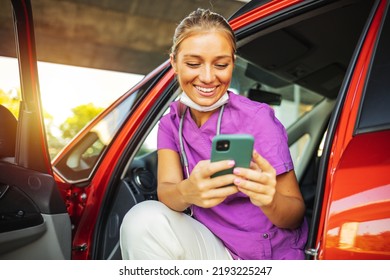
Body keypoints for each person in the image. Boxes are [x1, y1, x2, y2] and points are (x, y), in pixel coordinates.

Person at [120, 8, 308, 260]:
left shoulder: (257, 118)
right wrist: (189, 191)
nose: (208, 77)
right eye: (193, 64)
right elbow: (167, 189)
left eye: (221, 64)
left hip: (266, 253)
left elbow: (294, 214)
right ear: (174, 62)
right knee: (140, 220)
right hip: (214, 247)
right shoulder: (171, 124)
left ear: (233, 62)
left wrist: (269, 199)